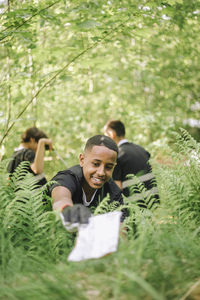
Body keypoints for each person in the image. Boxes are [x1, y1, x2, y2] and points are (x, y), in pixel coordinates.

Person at [48, 135, 127, 227]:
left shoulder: (113, 191)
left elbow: (122, 228)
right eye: (96, 164)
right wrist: (68, 210)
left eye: (108, 167)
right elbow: (60, 199)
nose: (101, 173)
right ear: (82, 160)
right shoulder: (68, 177)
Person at [104, 120, 159, 203]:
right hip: (153, 201)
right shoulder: (142, 150)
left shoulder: (117, 155)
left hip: (133, 206)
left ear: (112, 134)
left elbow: (117, 190)